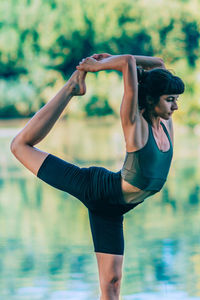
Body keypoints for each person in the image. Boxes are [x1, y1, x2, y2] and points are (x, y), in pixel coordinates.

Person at [11, 53, 184, 300]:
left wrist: (109, 58)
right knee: (19, 146)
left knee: (112, 285)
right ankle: (72, 87)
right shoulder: (136, 124)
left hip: (114, 209)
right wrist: (97, 66)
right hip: (96, 188)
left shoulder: (165, 125)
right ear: (151, 98)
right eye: (170, 100)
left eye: (175, 99)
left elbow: (157, 63)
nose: (176, 106)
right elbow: (127, 64)